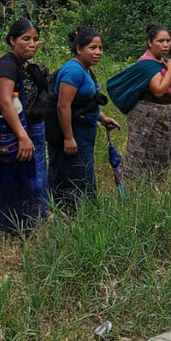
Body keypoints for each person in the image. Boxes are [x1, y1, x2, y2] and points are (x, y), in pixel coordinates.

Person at [0, 18, 51, 235]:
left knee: (32, 180)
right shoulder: (6, 66)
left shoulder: (27, 67)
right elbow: (5, 103)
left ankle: (28, 226)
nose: (32, 44)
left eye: (35, 39)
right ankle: (14, 228)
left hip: (31, 129)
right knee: (16, 180)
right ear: (12, 40)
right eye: (26, 39)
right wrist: (22, 136)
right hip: (16, 132)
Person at [48, 27, 118, 210]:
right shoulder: (73, 71)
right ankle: (71, 217)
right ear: (79, 49)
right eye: (93, 48)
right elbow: (63, 106)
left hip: (85, 133)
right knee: (73, 177)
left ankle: (85, 216)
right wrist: (69, 137)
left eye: (100, 48)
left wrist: (101, 118)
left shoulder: (84, 69)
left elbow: (83, 102)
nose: (98, 52)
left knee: (84, 175)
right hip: (75, 133)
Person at [122, 24, 171, 183]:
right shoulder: (147, 64)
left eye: (168, 40)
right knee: (144, 150)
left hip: (165, 112)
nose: (166, 44)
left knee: (162, 151)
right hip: (148, 113)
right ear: (150, 42)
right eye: (161, 41)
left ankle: (157, 185)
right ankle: (138, 188)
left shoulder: (162, 60)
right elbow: (159, 90)